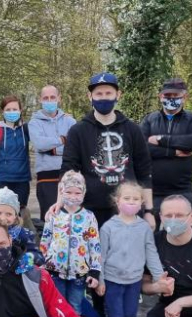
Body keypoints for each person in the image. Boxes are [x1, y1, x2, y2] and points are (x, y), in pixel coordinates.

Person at [58, 72, 155, 230]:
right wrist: (60, 203)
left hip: (128, 210)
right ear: (90, 96)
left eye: (108, 93)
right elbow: (68, 171)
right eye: (99, 94)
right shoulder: (78, 131)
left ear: (118, 95)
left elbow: (144, 172)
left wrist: (149, 211)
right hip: (90, 210)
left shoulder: (133, 129)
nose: (104, 98)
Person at [96, 182, 164, 317]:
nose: (131, 202)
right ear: (117, 201)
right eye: (127, 198)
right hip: (112, 281)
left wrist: (159, 276)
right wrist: (100, 279)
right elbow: (101, 255)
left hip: (133, 282)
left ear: (142, 202)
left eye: (135, 199)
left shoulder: (144, 228)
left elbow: (151, 252)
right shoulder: (108, 227)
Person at [40, 171, 101, 317]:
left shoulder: (89, 217)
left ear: (84, 193)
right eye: (68, 192)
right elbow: (45, 240)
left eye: (77, 192)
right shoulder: (54, 215)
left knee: (74, 310)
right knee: (57, 310)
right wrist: (42, 264)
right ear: (61, 192)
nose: (73, 196)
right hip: (54, 272)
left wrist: (95, 271)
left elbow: (94, 245)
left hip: (79, 275)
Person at [140, 78, 192, 222]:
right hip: (152, 191)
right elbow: (142, 149)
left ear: (184, 97)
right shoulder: (149, 120)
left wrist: (161, 139)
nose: (171, 99)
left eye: (175, 96)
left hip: (182, 190)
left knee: (179, 232)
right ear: (160, 96)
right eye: (167, 95)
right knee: (150, 232)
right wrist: (173, 152)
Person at [28, 85, 76, 221]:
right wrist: (63, 139)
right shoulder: (34, 123)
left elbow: (75, 147)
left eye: (52, 97)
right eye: (46, 98)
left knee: (70, 219)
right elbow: (40, 144)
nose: (49, 101)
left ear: (59, 98)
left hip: (69, 176)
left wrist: (52, 150)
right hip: (46, 178)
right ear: (40, 99)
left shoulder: (70, 121)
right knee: (50, 219)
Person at [0, 95, 32, 212]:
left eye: (15, 109)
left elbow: (43, 133)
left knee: (19, 215)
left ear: (20, 110)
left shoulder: (27, 129)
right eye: (8, 110)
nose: (12, 112)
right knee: (1, 215)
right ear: (2, 111)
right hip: (1, 180)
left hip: (22, 181)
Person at [0, 187, 43, 266]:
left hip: (16, 272)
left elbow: (39, 258)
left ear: (15, 216)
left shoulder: (23, 234)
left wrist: (26, 258)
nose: (3, 218)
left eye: (8, 214)